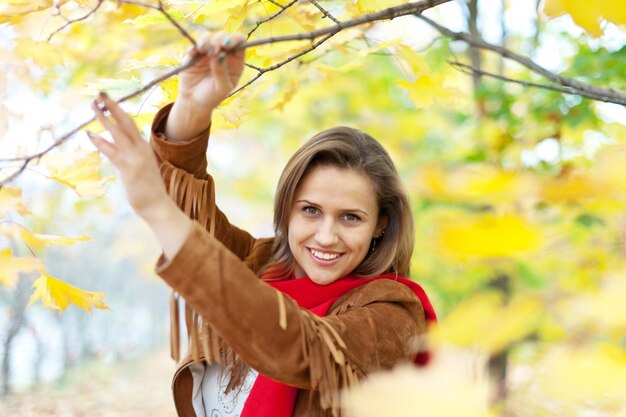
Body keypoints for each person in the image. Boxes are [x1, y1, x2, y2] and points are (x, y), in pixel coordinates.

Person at [88, 32, 436, 417]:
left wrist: (155, 208)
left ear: (381, 225)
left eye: (350, 217)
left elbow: (296, 345)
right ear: (287, 208)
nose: (326, 236)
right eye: (310, 210)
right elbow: (192, 219)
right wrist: (191, 109)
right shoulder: (259, 263)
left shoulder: (394, 314)